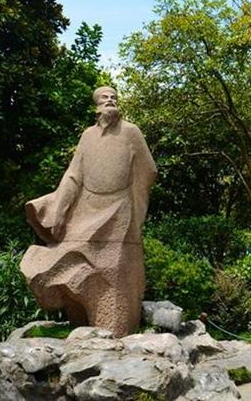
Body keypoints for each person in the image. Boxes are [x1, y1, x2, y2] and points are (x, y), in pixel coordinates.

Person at [21, 86, 157, 337]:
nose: (110, 101)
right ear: (96, 106)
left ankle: (113, 326)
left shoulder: (131, 132)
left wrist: (137, 208)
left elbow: (148, 171)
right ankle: (78, 313)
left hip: (120, 209)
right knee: (66, 255)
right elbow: (74, 175)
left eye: (114, 97)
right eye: (105, 98)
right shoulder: (87, 136)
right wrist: (60, 210)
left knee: (113, 268)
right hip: (88, 207)